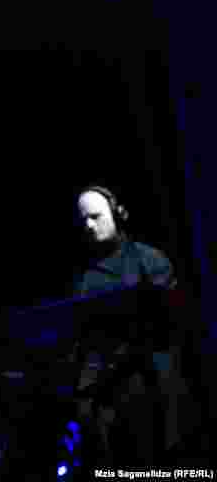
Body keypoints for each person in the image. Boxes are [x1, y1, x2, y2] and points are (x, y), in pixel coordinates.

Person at [70, 185, 177, 469]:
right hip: (106, 402)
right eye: (83, 220)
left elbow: (168, 326)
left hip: (151, 389)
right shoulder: (83, 280)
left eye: (96, 217)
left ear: (118, 214)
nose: (89, 225)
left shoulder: (148, 260)